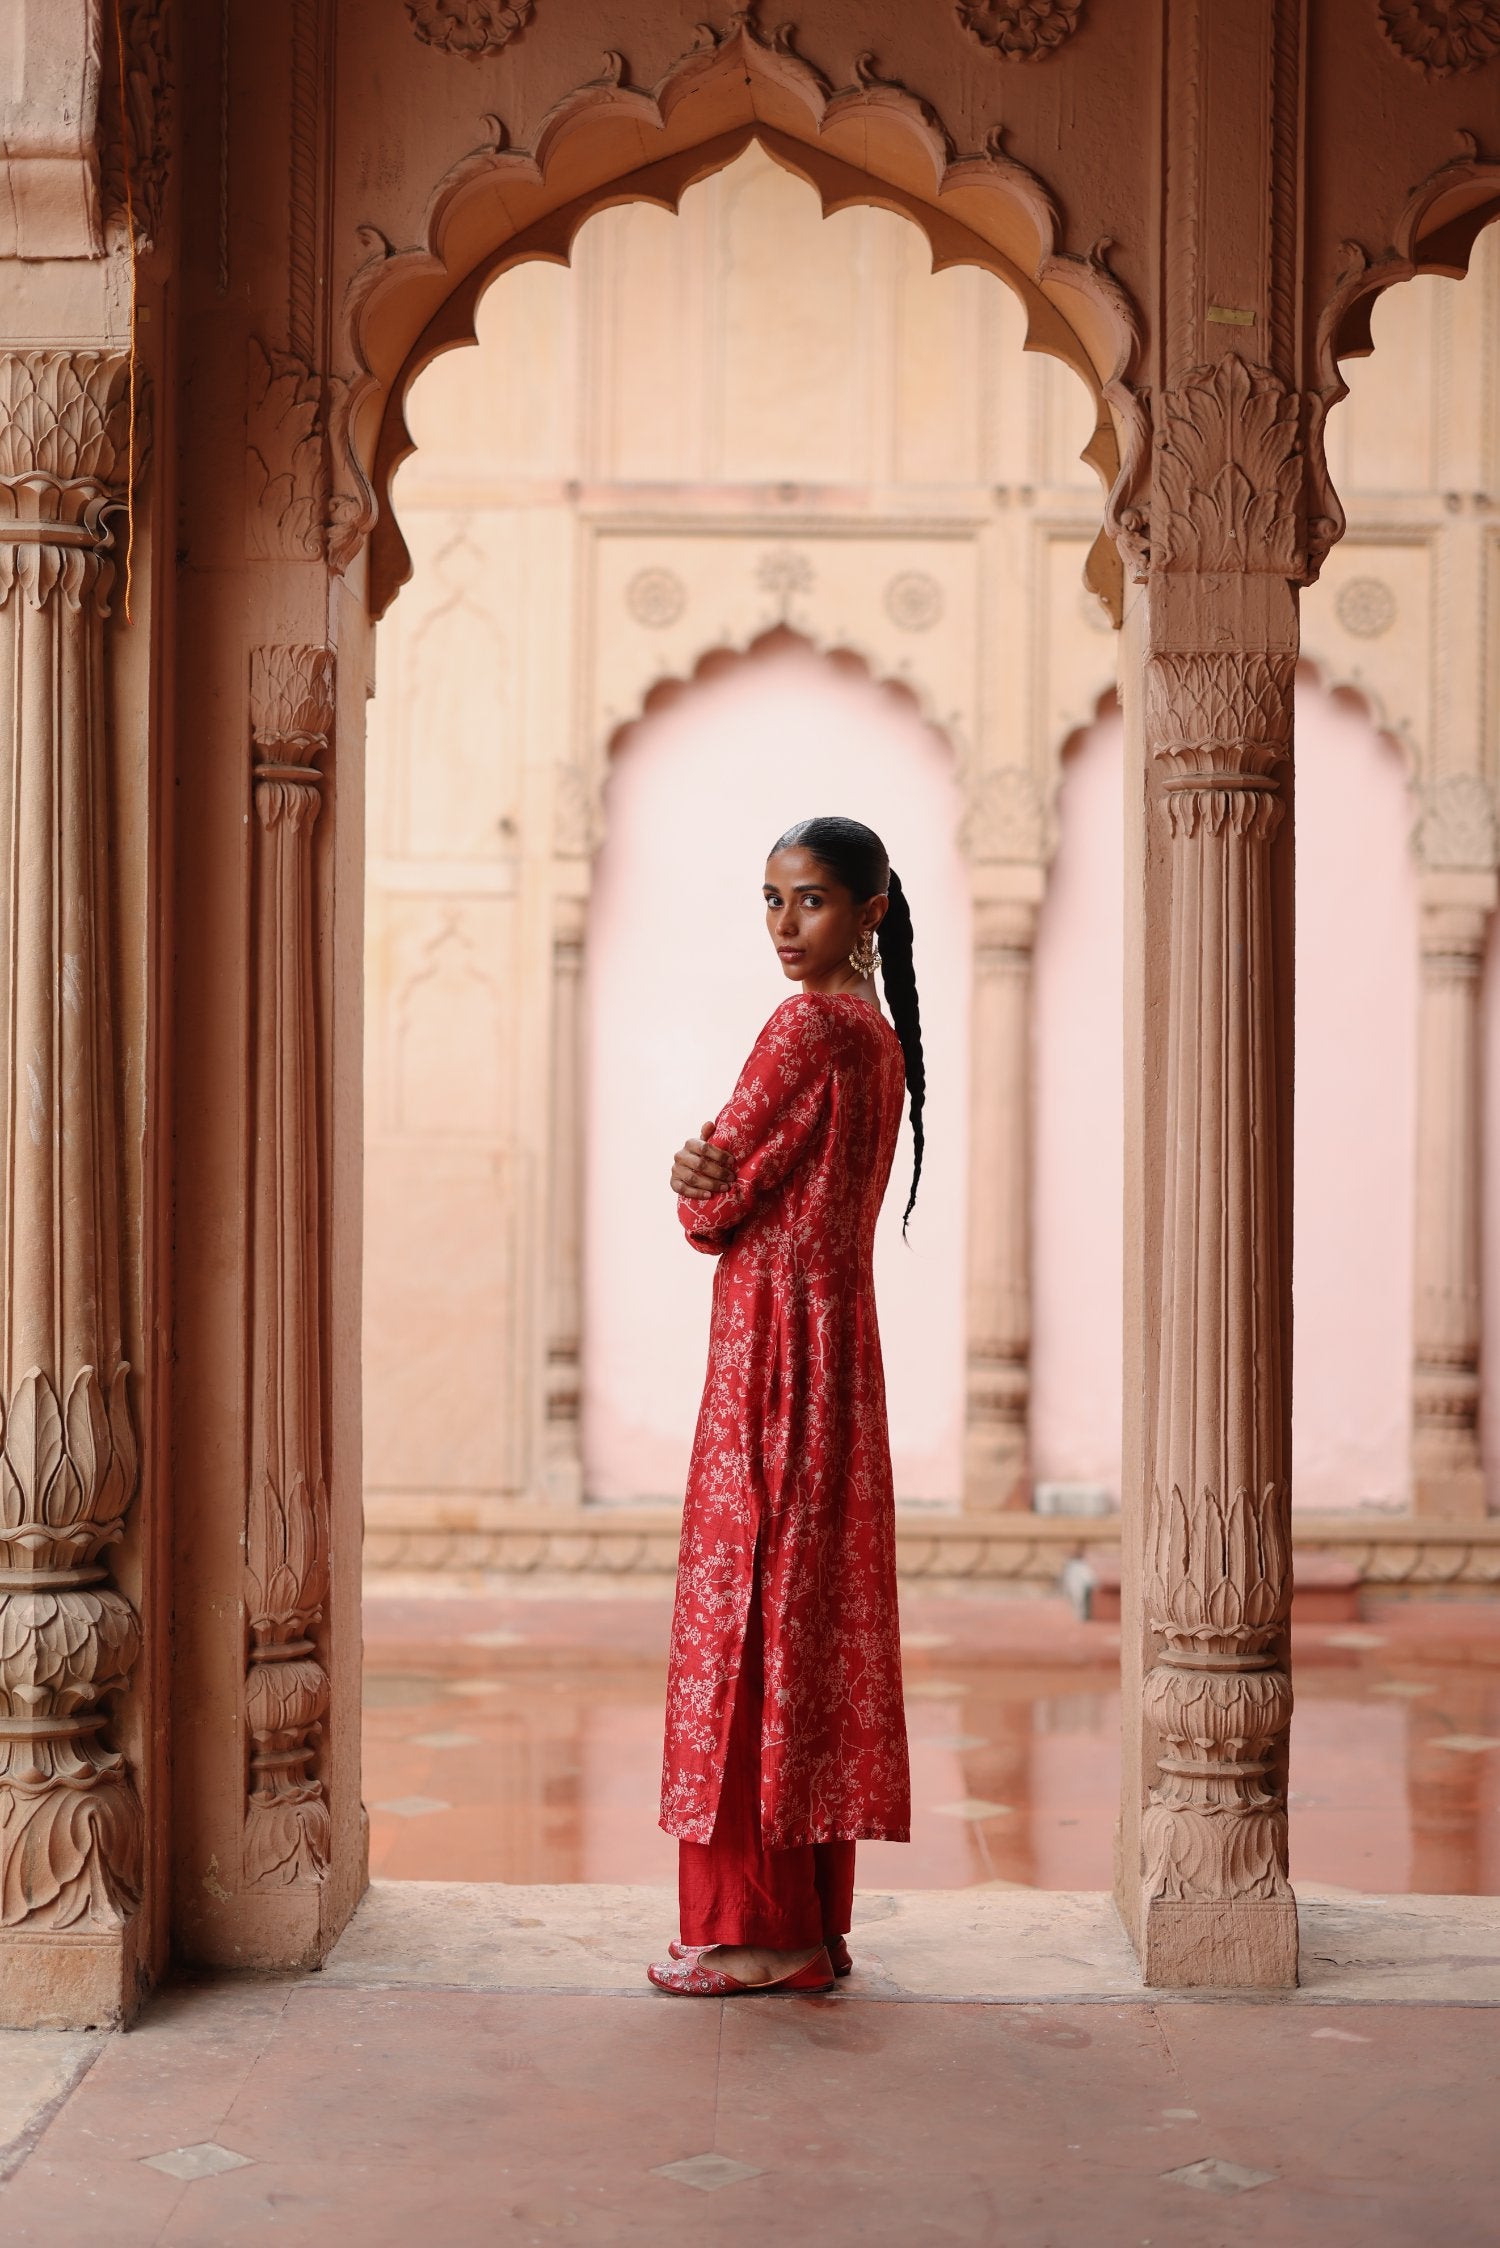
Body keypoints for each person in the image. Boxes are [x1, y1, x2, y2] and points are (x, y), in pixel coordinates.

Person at [648, 814, 925, 1997]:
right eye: (770, 899)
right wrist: (707, 1170)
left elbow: (715, 1200)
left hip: (771, 1351)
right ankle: (809, 1924)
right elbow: (740, 1168)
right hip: (839, 1352)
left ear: (869, 912)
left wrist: (691, 1179)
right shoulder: (878, 1037)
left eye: (810, 899)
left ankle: (760, 1935)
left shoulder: (805, 1026)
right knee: (804, 1620)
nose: (784, 924)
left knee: (751, 1619)